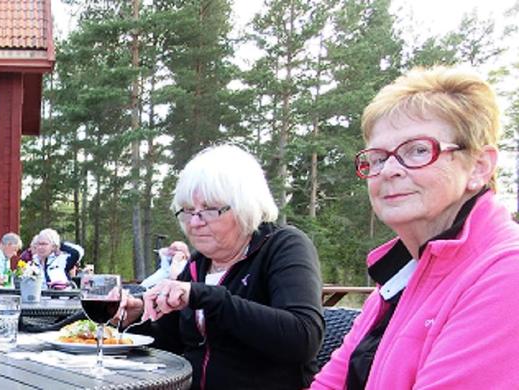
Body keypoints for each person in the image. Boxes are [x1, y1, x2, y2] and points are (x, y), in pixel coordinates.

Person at [311, 67, 519, 389]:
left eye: (418, 150)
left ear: (479, 167)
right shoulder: (403, 273)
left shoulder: (506, 275)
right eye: (378, 158)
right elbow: (330, 384)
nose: (389, 170)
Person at [117, 144, 323, 389]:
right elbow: (171, 341)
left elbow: (302, 338)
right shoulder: (198, 264)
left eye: (209, 210)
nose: (195, 222)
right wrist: (135, 317)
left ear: (245, 205)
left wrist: (207, 297)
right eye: (189, 211)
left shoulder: (282, 246)